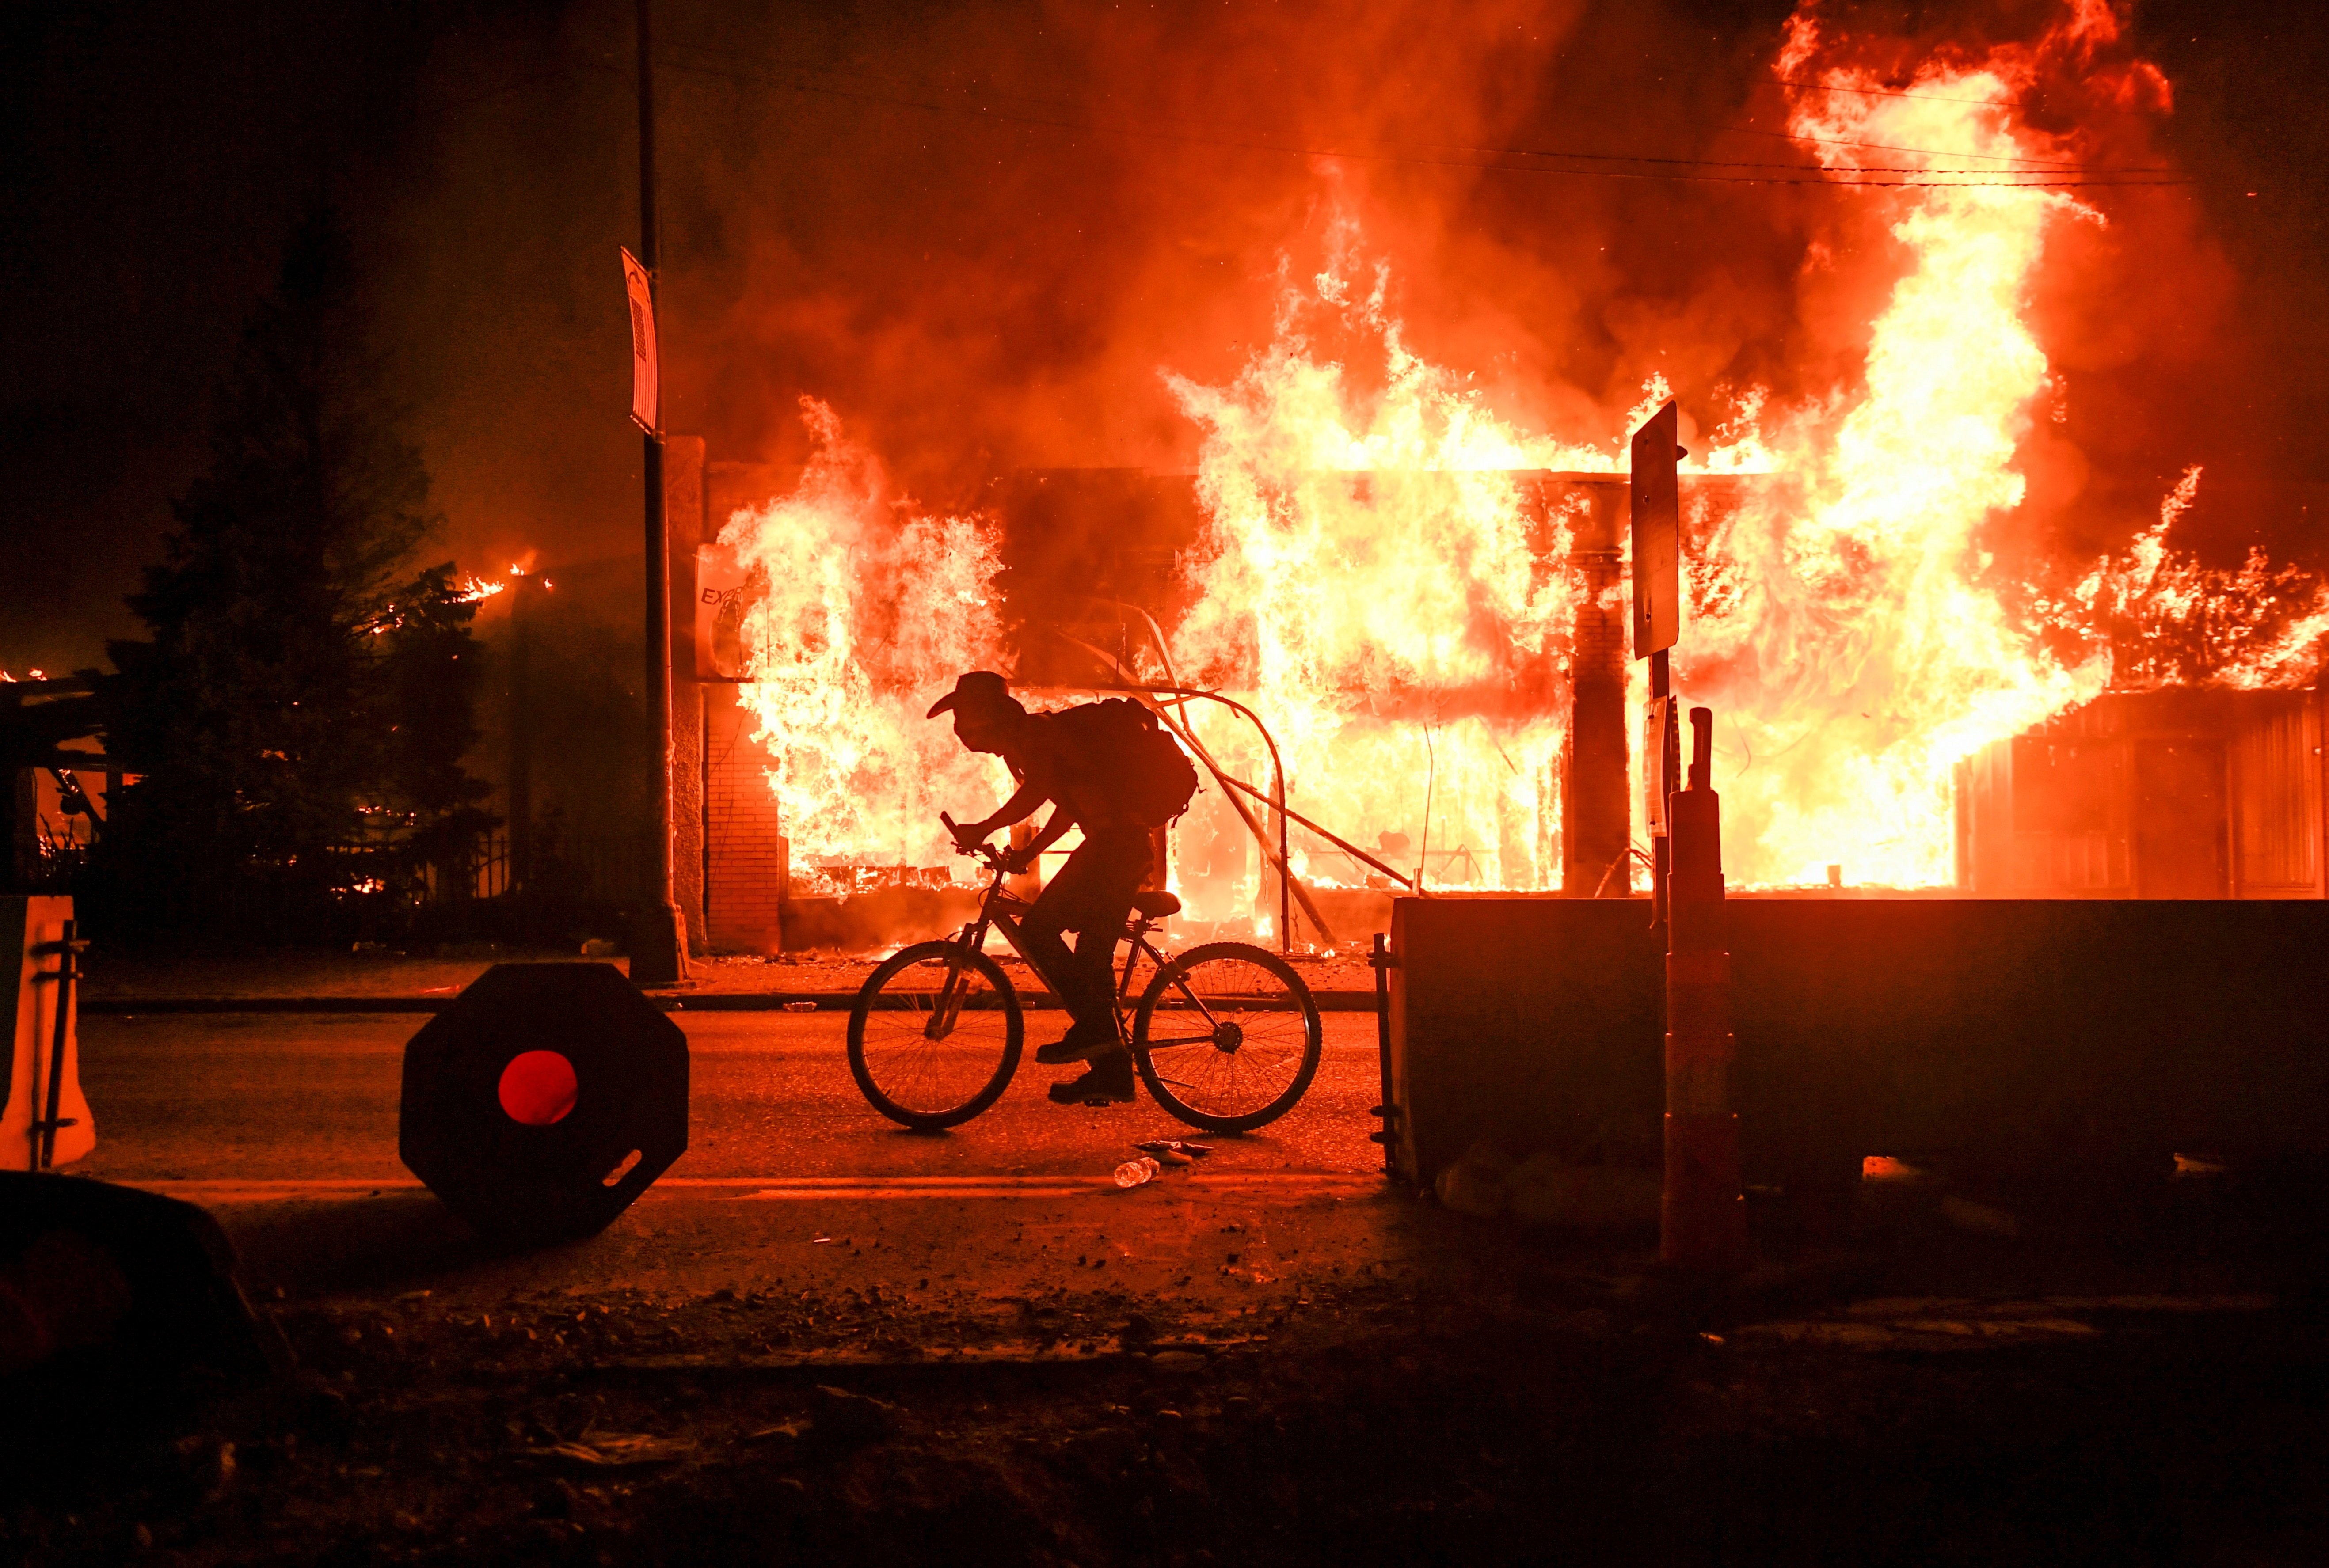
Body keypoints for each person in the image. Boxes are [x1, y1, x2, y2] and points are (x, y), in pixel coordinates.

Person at [927, 670, 1154, 1106]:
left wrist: (985, 827)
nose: (964, 735)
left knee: (1036, 931)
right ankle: (1111, 1071)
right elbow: (1066, 807)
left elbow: (1040, 791)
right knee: (1090, 958)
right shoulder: (1027, 744)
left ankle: (1092, 1029)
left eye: (965, 722)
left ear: (984, 718)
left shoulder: (1034, 733)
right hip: (1113, 846)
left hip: (1116, 847)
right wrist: (1029, 854)